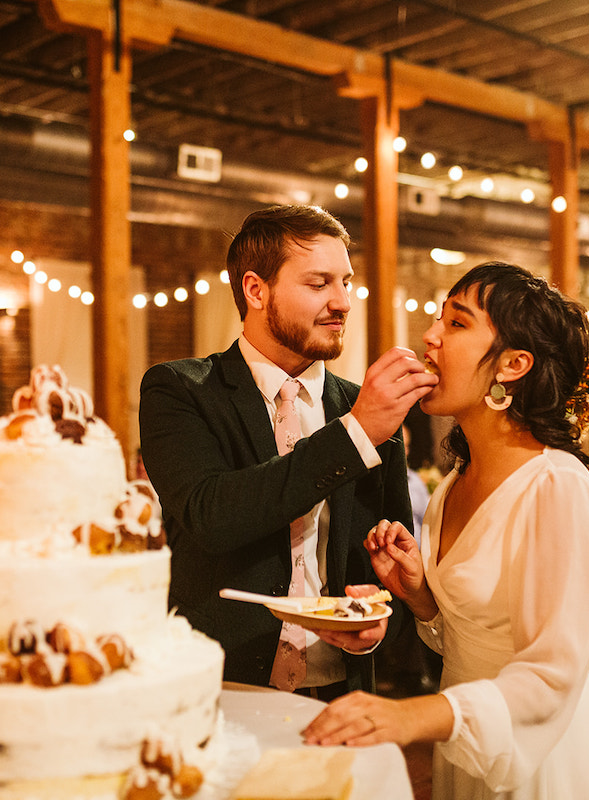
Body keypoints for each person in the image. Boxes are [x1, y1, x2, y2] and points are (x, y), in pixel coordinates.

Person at [301, 262, 589, 798]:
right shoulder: (455, 483)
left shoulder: (557, 486)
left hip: (543, 765)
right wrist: (421, 596)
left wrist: (407, 718)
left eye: (455, 324)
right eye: (437, 319)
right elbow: (465, 640)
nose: (429, 336)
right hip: (467, 752)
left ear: (513, 364)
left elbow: (552, 675)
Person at [139, 204, 434, 698]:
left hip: (339, 695)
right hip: (219, 689)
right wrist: (356, 433)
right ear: (256, 290)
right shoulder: (180, 390)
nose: (342, 302)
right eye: (319, 284)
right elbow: (211, 515)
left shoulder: (365, 410)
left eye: (346, 282)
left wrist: (375, 626)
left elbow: (390, 573)